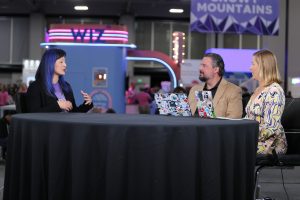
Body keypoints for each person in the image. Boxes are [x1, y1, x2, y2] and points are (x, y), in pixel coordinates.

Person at [245, 50, 287, 155]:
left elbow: (270, 128)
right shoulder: (258, 89)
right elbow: (248, 119)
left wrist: (244, 135)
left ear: (263, 66)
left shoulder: (274, 91)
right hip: (254, 139)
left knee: (231, 149)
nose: (250, 68)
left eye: (253, 64)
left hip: (270, 144)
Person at [26, 48, 93, 113]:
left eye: (65, 62)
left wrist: (87, 104)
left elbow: (73, 113)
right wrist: (58, 106)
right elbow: (33, 113)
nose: (65, 65)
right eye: (61, 62)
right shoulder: (35, 87)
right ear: (50, 63)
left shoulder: (66, 86)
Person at [188, 53, 243, 118]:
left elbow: (234, 120)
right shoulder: (194, 89)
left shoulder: (233, 91)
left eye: (204, 66)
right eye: (200, 65)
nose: (200, 68)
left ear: (216, 69)